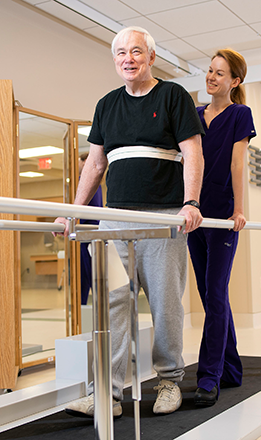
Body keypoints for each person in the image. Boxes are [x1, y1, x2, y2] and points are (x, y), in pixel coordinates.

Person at [57, 26, 204, 417]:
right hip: (113, 223)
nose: (128, 58)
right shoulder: (106, 105)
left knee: (165, 303)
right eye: (121, 52)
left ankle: (170, 380)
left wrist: (191, 202)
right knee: (112, 305)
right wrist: (74, 212)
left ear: (151, 57)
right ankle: (106, 392)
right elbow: (95, 163)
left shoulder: (172, 96)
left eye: (136, 51)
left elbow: (193, 153)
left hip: (163, 219)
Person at [188, 49, 256, 407]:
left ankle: (208, 377)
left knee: (215, 295)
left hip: (223, 218)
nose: (211, 77)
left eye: (219, 73)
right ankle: (231, 370)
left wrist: (240, 210)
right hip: (196, 216)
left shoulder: (239, 114)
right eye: (209, 71)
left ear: (234, 81)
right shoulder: (196, 116)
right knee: (211, 296)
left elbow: (237, 163)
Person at [78, 152, 103, 305]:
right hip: (91, 229)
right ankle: (83, 305)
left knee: (89, 271)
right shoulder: (97, 184)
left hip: (88, 230)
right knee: (87, 273)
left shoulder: (86, 182)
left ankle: (94, 304)